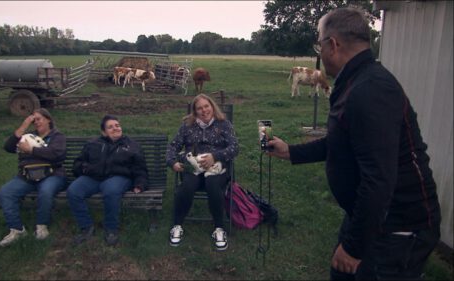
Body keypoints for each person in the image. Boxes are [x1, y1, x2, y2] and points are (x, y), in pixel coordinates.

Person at [267, 7, 441, 280]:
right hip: (370, 215)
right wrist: (291, 151)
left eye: (319, 45)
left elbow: (379, 179)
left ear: (333, 44)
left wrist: (354, 247)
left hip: (396, 226)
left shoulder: (370, 90)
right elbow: (341, 142)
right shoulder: (355, 82)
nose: (319, 53)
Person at [166, 93, 239, 251]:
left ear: (212, 107)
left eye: (207, 106)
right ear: (195, 111)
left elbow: (234, 147)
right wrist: (172, 162)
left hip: (217, 167)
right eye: (199, 108)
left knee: (213, 185)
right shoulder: (187, 126)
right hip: (194, 166)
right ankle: (177, 225)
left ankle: (219, 228)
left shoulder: (224, 124)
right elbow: (173, 146)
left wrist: (215, 156)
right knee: (186, 186)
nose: (204, 110)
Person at [67, 115, 148, 246]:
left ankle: (111, 229)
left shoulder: (131, 146)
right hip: (93, 177)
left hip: (118, 177)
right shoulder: (93, 144)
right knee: (73, 191)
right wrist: (84, 169)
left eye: (117, 125)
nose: (115, 128)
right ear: (104, 132)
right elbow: (78, 163)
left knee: (111, 190)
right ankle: (86, 227)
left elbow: (140, 168)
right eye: (110, 127)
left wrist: (140, 183)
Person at [0, 108, 67, 247]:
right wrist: (24, 126)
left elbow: (56, 154)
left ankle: (42, 226)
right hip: (27, 176)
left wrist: (31, 150)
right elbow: (8, 147)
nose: (36, 122)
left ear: (48, 120)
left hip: (51, 175)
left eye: (39, 119)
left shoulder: (57, 137)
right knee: (5, 192)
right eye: (33, 120)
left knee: (46, 191)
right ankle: (17, 230)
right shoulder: (27, 137)